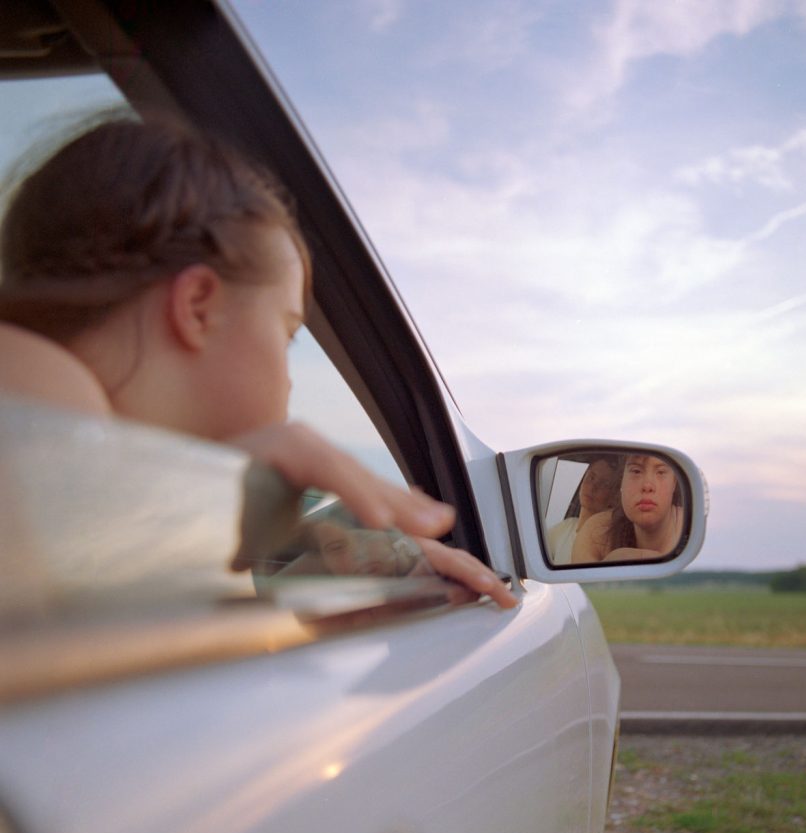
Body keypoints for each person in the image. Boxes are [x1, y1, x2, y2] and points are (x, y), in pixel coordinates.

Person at [0, 114, 516, 608]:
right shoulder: (32, 372)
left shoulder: (86, 477)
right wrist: (222, 490)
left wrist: (335, 579)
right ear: (199, 307)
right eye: (287, 332)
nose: (289, 385)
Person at [571, 453, 684, 563]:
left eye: (661, 472)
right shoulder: (596, 533)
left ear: (674, 483)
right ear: (622, 482)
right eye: (636, 471)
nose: (647, 486)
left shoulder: (692, 529)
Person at [545, 455, 618, 564]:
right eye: (591, 477)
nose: (593, 486)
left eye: (604, 484)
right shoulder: (565, 527)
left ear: (613, 498)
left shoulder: (607, 543)